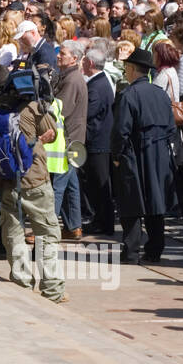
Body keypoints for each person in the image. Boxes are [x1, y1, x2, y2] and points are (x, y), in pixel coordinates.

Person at [0, 64, 67, 302]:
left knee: (13, 231)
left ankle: (21, 282)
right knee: (47, 233)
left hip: (4, 180)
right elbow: (53, 133)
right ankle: (52, 289)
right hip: (35, 178)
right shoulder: (33, 107)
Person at [112, 47, 178, 263]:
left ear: (132, 69)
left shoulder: (128, 95)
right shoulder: (160, 94)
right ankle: (155, 249)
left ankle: (131, 250)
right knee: (155, 201)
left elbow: (122, 129)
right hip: (159, 153)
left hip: (136, 152)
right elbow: (170, 126)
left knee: (132, 200)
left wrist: (117, 155)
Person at [51, 39, 88, 238]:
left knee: (58, 185)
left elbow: (60, 109)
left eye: (62, 53)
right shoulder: (67, 76)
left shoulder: (72, 80)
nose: (58, 55)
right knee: (71, 184)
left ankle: (48, 230)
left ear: (74, 58)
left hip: (68, 140)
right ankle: (73, 226)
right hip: (70, 139)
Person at [81, 46, 116, 236]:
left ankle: (105, 222)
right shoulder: (99, 82)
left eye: (85, 61)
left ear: (91, 64)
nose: (83, 64)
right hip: (98, 141)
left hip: (98, 142)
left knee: (100, 184)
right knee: (96, 184)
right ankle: (100, 220)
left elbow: (89, 113)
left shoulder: (97, 85)